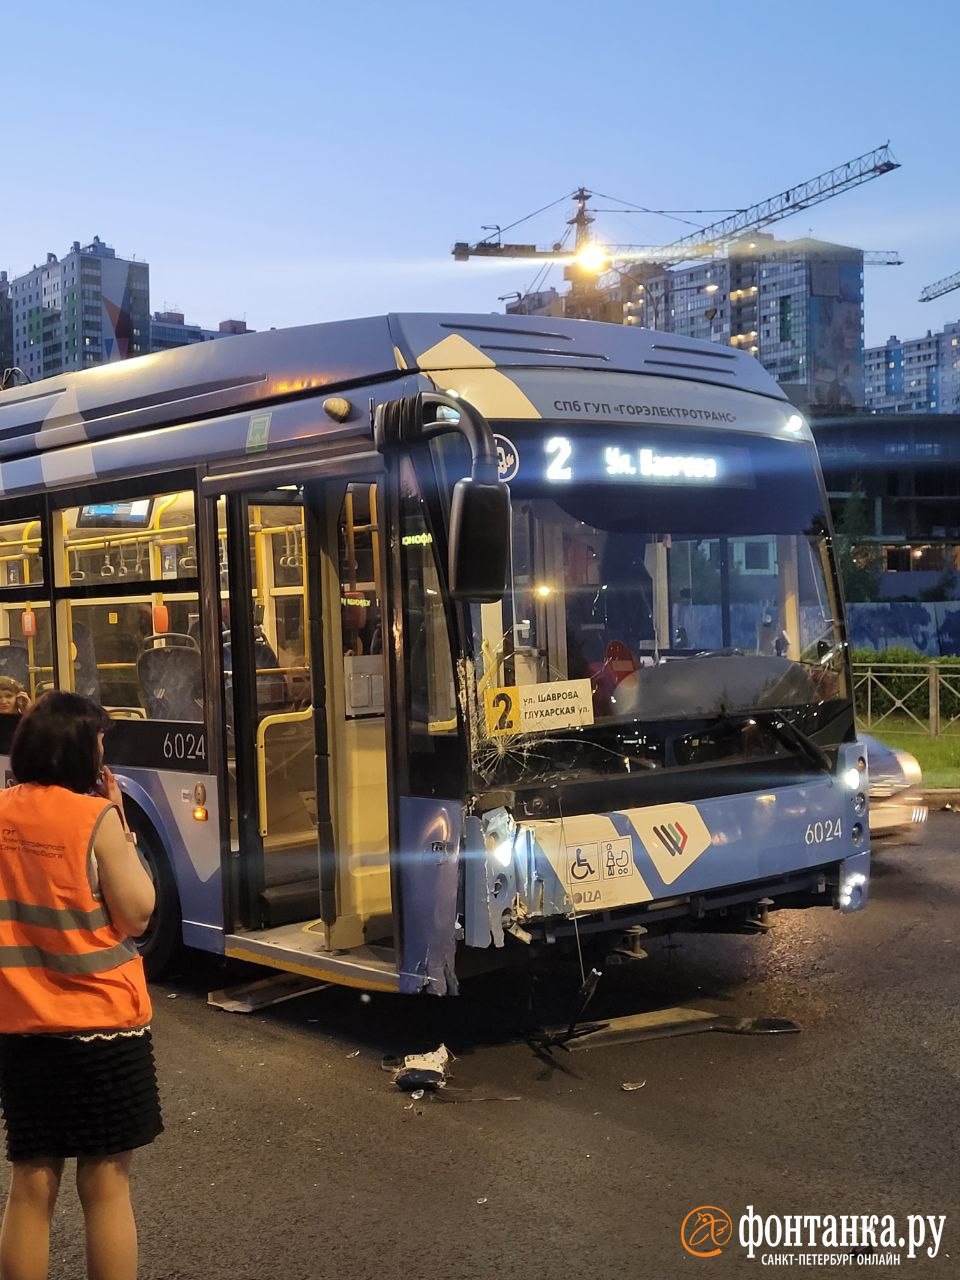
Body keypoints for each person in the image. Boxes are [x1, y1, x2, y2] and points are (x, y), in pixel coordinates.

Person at [0, 692, 160, 1280]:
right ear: (78, 753)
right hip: (101, 1028)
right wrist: (118, 822)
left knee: (30, 1187)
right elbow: (138, 911)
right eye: (99, 743)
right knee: (107, 1186)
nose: (103, 754)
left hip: (22, 1026)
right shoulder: (90, 819)